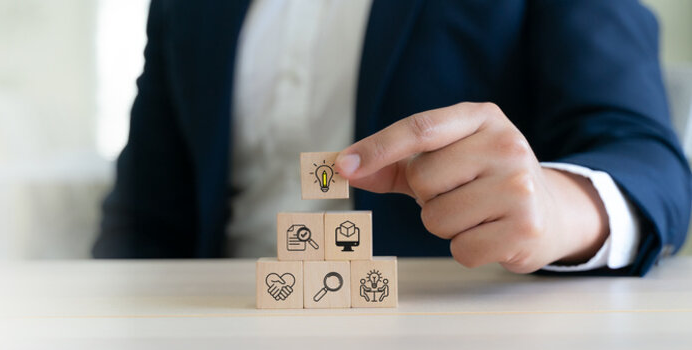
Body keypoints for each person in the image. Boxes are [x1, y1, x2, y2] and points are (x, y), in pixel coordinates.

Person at [93, 0, 691, 276]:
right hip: (213, 328)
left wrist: (560, 206)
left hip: (448, 330)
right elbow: (142, 218)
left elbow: (647, 157)